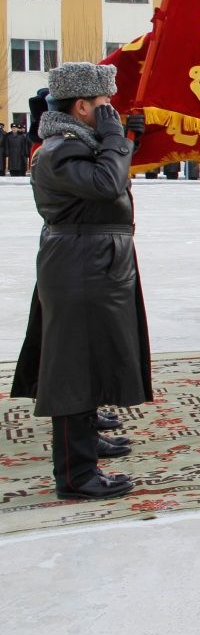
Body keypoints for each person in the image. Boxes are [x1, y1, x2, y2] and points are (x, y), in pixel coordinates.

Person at [13, 63, 150, 500]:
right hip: (81, 263)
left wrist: (127, 140)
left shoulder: (77, 142)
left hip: (91, 261)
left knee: (89, 360)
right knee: (74, 367)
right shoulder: (59, 149)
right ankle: (75, 475)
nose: (111, 113)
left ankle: (86, 443)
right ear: (82, 106)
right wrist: (115, 140)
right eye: (105, 106)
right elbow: (108, 183)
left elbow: (110, 176)